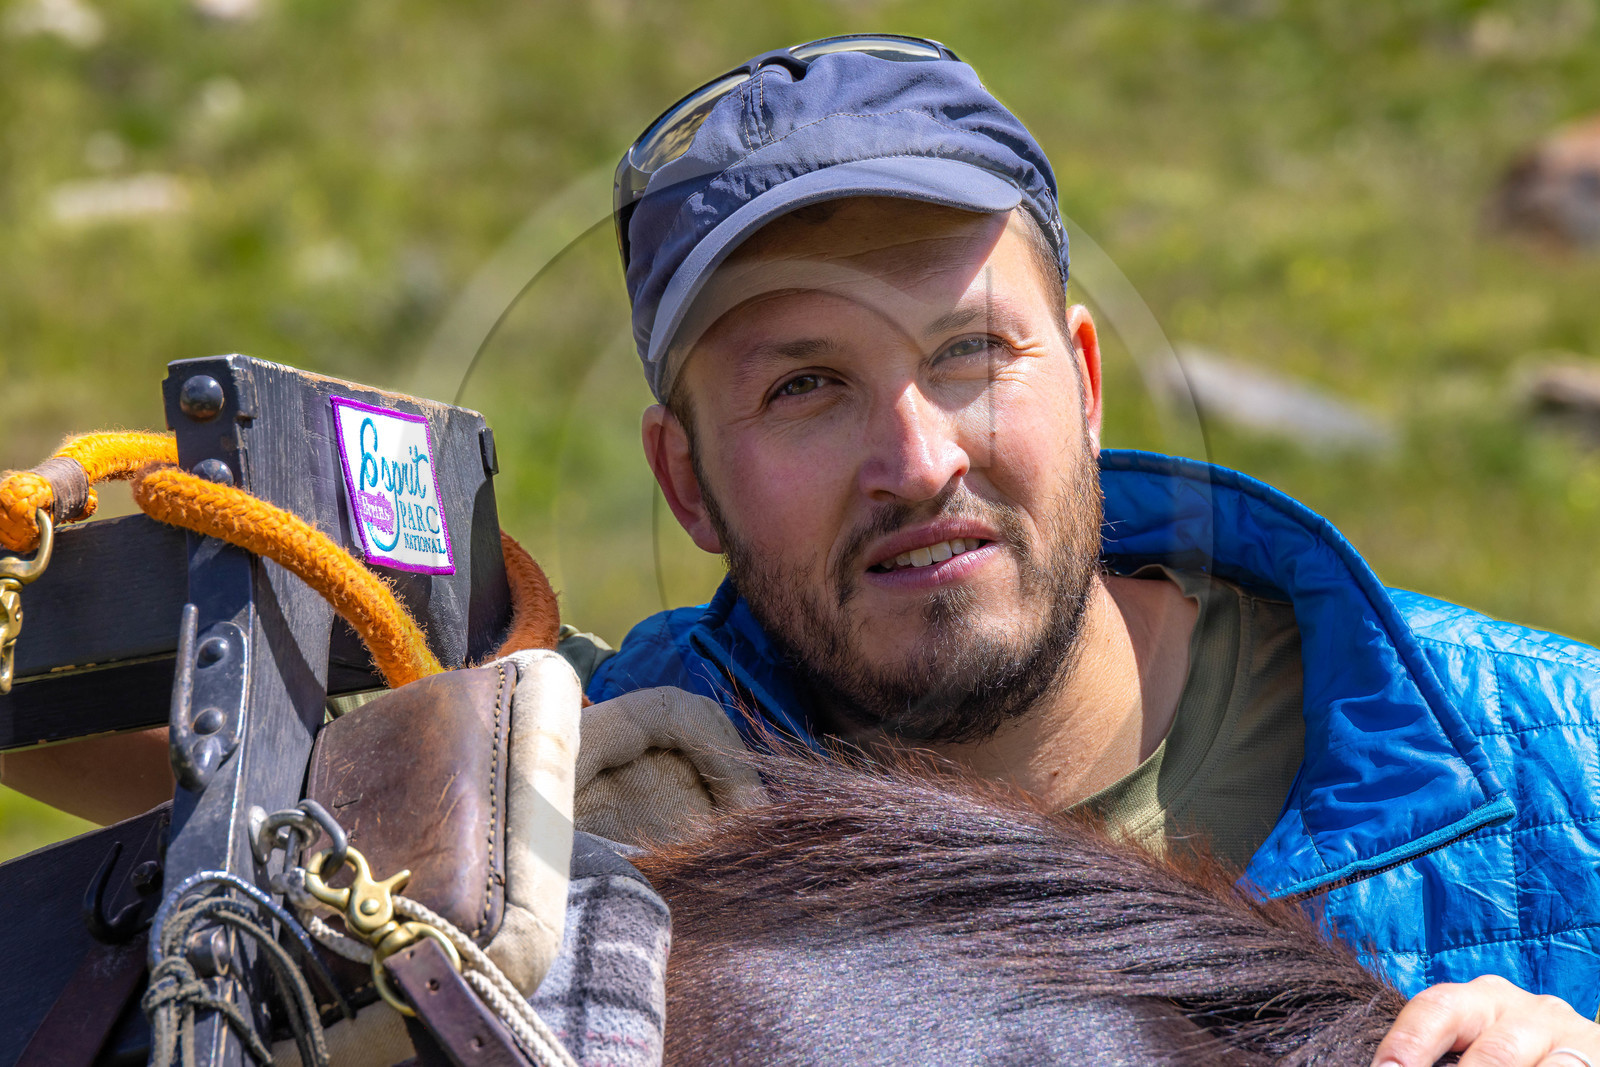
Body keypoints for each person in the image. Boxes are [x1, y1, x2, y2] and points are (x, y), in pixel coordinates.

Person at [577, 33, 1600, 1067]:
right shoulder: (579, 851)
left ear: (1085, 383)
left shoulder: (1565, 758)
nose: (920, 461)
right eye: (803, 387)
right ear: (687, 481)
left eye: (969, 350)